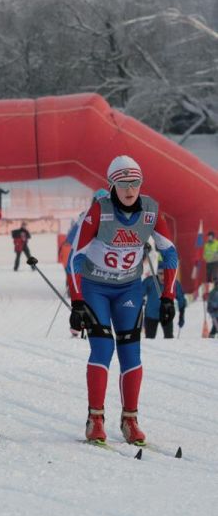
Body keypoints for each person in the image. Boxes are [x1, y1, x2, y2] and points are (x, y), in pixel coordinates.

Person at [68, 155, 178, 445]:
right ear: (112, 184)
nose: (130, 189)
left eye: (135, 183)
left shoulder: (151, 211)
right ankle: (96, 418)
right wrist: (77, 300)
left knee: (131, 353)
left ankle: (130, 419)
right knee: (103, 348)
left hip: (128, 289)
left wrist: (168, 296)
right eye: (123, 183)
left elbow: (170, 253)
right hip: (96, 288)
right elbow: (76, 257)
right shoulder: (99, 211)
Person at [141, 263, 186, 339]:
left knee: (169, 338)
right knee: (149, 338)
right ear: (157, 273)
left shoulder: (174, 284)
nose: (163, 276)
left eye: (166, 273)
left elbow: (181, 299)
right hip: (151, 315)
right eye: (160, 273)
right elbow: (139, 293)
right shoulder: (150, 281)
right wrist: (140, 301)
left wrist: (181, 315)